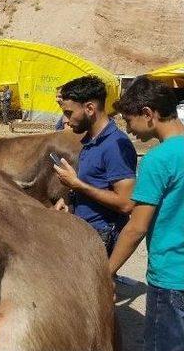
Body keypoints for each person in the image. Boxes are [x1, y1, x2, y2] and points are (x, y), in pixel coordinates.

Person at [108, 76, 184, 351]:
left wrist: (107, 272)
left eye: (129, 121)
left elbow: (136, 228)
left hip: (171, 278)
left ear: (148, 114)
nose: (128, 131)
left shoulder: (158, 159)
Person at [53, 75, 136, 256]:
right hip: (86, 230)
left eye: (69, 113)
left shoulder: (115, 145)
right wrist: (69, 201)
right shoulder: (91, 139)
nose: (66, 120)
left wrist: (77, 184)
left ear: (90, 108)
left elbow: (126, 203)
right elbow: (95, 183)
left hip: (102, 235)